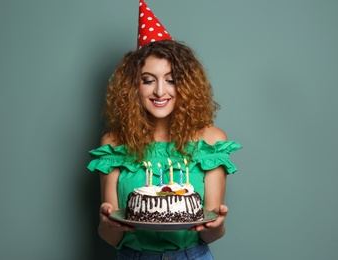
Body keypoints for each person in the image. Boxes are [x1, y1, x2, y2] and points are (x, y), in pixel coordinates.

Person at [87, 1, 241, 259]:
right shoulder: (114, 143)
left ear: (188, 86)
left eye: (171, 80)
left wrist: (219, 224)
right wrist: (107, 222)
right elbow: (112, 237)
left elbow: (209, 233)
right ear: (133, 87)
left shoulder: (211, 142)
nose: (160, 91)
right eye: (148, 80)